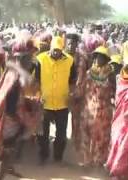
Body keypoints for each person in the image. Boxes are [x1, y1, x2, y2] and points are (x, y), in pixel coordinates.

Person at [0, 37, 40, 180]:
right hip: (9, 119)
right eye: (27, 59)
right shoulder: (15, 77)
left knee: (11, 147)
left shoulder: (11, 72)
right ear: (19, 59)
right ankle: (1, 176)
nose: (29, 62)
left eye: (30, 58)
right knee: (10, 147)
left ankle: (9, 167)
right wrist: (25, 118)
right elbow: (11, 104)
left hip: (5, 115)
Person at [36, 36, 76, 165]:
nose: (56, 52)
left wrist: (71, 95)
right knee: (42, 133)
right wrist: (37, 96)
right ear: (50, 49)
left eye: (58, 50)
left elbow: (73, 81)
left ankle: (58, 156)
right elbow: (35, 81)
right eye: (54, 50)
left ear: (62, 49)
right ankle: (43, 154)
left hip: (62, 104)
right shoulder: (40, 59)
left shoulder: (70, 61)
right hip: (44, 103)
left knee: (61, 134)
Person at [80, 46, 116, 168]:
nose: (98, 59)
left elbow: (114, 91)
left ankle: (99, 160)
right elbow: (83, 89)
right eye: (97, 57)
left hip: (104, 111)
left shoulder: (111, 75)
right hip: (89, 109)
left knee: (101, 137)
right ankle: (87, 160)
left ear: (106, 59)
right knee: (87, 135)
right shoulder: (89, 73)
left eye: (102, 57)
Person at [106, 58, 128, 179]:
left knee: (125, 146)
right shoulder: (119, 79)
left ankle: (118, 171)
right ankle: (114, 168)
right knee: (116, 142)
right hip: (119, 119)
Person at [65, 33, 88, 151]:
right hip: (63, 88)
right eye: (68, 43)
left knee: (76, 116)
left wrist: (78, 92)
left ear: (76, 44)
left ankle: (76, 140)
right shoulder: (62, 56)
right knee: (62, 115)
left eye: (72, 43)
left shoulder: (81, 58)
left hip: (76, 88)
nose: (69, 45)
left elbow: (82, 75)